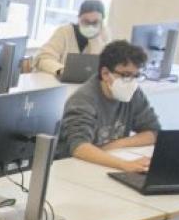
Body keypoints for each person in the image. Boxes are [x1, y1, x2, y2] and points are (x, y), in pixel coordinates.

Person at [56, 39, 160, 172]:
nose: (132, 82)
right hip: (74, 167)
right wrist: (125, 165)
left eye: (136, 76)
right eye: (126, 75)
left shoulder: (133, 93)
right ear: (105, 74)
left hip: (108, 161)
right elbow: (79, 147)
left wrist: (117, 144)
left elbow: (154, 132)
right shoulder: (83, 100)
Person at [35, 0, 110, 77]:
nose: (90, 26)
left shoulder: (104, 36)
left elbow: (102, 69)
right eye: (86, 21)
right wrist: (63, 71)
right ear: (78, 19)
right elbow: (43, 59)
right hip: (58, 83)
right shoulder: (64, 32)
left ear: (102, 22)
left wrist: (96, 40)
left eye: (95, 22)